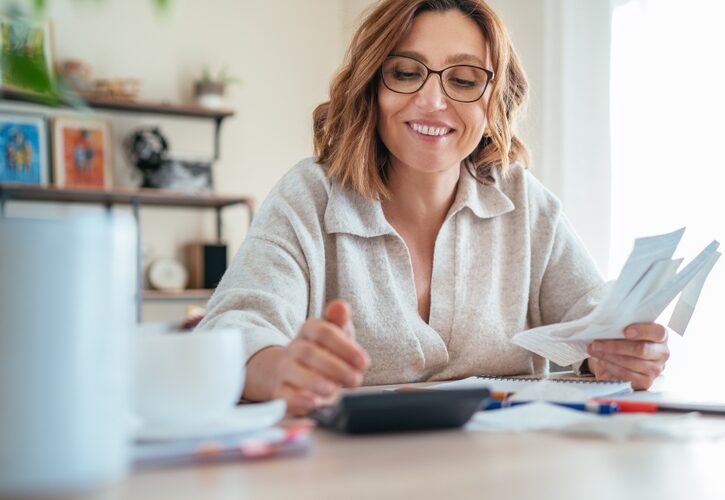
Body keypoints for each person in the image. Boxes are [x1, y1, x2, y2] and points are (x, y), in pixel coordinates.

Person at [197, 0, 670, 416]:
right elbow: (232, 330)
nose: (432, 100)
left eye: (464, 80)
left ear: (493, 106)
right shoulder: (309, 197)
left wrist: (618, 354)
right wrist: (279, 368)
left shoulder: (523, 202)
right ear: (372, 88)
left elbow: (594, 320)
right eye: (406, 72)